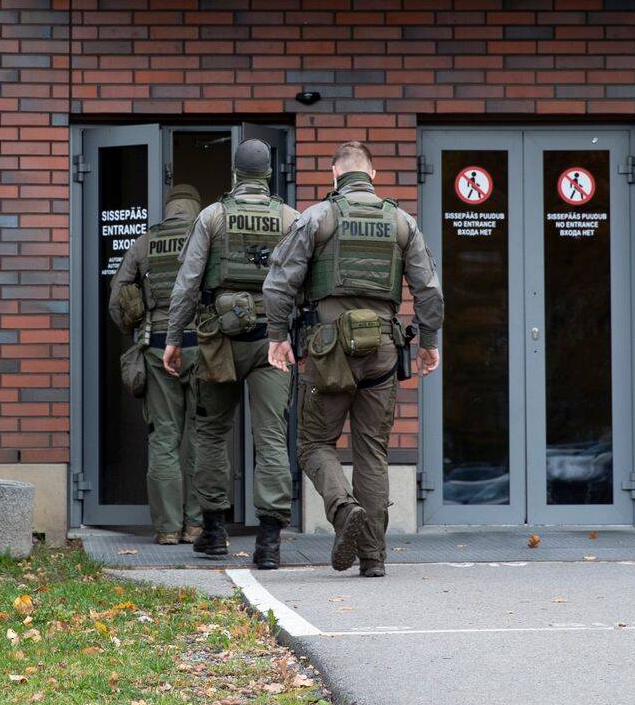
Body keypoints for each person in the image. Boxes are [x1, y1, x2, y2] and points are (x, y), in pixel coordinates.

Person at [264, 140, 443, 578]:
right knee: (372, 451)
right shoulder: (402, 222)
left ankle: (344, 511)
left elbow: (279, 283)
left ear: (334, 174)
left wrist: (277, 336)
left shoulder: (316, 217)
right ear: (373, 175)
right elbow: (429, 291)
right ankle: (374, 557)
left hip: (329, 351)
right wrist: (429, 342)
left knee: (314, 444)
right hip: (383, 348)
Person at [164, 139, 299, 568]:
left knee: (211, 433)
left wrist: (173, 338)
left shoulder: (212, 216)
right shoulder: (291, 219)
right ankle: (270, 542)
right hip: (272, 342)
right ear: (269, 173)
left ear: (235, 174)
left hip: (218, 342)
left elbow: (187, 284)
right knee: (271, 435)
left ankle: (214, 532)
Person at [106, 185, 205, 545]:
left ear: (169, 209)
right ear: (196, 208)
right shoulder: (206, 235)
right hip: (202, 344)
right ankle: (197, 526)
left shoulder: (145, 242)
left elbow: (117, 300)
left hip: (158, 343)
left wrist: (134, 328)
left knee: (164, 437)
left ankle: (167, 528)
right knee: (202, 436)